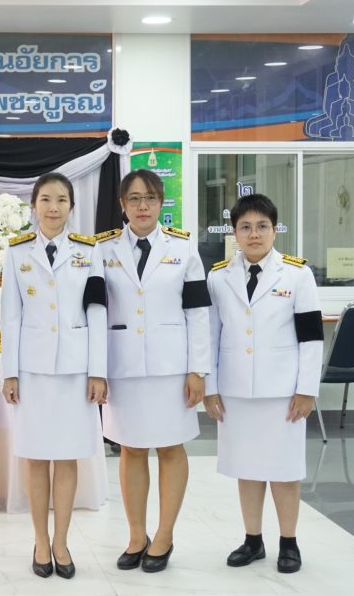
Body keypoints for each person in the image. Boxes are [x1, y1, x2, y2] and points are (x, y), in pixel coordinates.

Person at [97, 168, 212, 573]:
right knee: (131, 448)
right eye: (134, 198)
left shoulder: (184, 249)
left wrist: (198, 369)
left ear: (161, 203)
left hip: (171, 368)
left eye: (149, 198)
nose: (142, 205)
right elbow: (95, 312)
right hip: (122, 365)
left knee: (170, 447)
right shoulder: (102, 250)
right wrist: (96, 368)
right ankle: (136, 535)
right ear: (122, 205)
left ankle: (164, 535)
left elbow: (198, 312)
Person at [204, 193, 323, 574]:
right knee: (248, 468)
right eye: (245, 227)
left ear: (274, 230)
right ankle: (252, 540)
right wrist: (210, 387)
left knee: (284, 470)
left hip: (282, 393)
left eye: (262, 226)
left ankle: (289, 542)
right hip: (235, 391)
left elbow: (311, 337)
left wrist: (307, 389)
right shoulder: (218, 277)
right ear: (234, 233)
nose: (254, 234)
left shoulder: (297, 275)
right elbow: (210, 336)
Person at [0, 172, 108, 579]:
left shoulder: (89, 251)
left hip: (75, 371)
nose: (53, 207)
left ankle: (61, 541)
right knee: (36, 456)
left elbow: (97, 312)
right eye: (45, 199)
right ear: (34, 205)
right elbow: (10, 316)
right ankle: (40, 540)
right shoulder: (17, 252)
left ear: (71, 207)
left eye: (61, 200)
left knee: (66, 456)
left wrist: (98, 370)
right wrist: (10, 373)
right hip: (33, 370)